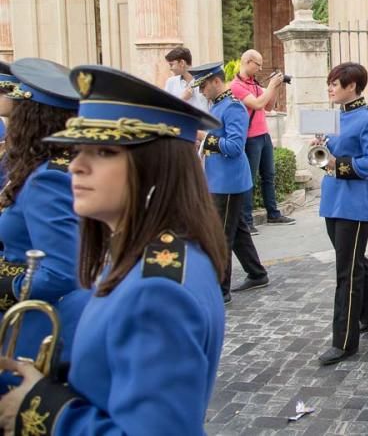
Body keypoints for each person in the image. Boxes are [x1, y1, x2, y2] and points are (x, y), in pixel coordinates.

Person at [0, 64, 227, 434]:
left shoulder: (157, 289)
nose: (76, 165)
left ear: (156, 167)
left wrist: (40, 410)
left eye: (104, 151)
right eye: (76, 150)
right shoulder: (144, 253)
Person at [0, 59, 82, 385]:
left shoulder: (47, 179)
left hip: (33, 327)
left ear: (29, 118)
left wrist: (8, 285)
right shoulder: (54, 165)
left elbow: (63, 271)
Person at [314, 62, 368, 364]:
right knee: (355, 260)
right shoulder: (335, 117)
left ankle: (344, 341)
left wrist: (336, 164)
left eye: (335, 83)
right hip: (334, 199)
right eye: (330, 83)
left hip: (355, 203)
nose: (330, 88)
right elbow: (330, 153)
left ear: (352, 87)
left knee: (347, 271)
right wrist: (321, 149)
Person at [190, 62, 269, 303]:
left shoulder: (233, 107)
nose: (201, 91)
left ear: (216, 81)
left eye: (203, 85)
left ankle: (219, 290)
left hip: (229, 181)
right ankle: (257, 273)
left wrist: (205, 137)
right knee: (238, 230)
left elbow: (234, 147)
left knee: (220, 235)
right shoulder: (217, 105)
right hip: (219, 179)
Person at [230, 50, 295, 232]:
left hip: (263, 135)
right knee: (249, 179)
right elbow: (257, 104)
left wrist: (274, 87)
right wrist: (271, 85)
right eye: (257, 64)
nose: (260, 68)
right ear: (248, 62)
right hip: (250, 138)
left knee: (269, 176)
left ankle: (273, 214)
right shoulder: (236, 86)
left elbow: (268, 106)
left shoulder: (254, 83)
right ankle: (247, 221)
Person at [162, 46, 209, 111]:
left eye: (171, 64)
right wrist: (183, 99)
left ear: (182, 63)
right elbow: (165, 108)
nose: (170, 68)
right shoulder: (171, 82)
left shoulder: (205, 81)